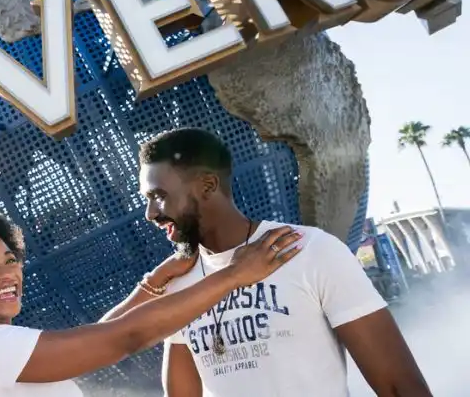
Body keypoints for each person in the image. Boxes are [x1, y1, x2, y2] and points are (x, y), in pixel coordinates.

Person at [137, 128, 431, 397]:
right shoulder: (176, 281)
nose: (150, 213)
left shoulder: (311, 250)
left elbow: (398, 385)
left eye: (159, 196)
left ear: (208, 185)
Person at [0, 211, 303, 396]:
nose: (8, 274)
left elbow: (98, 334)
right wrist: (234, 275)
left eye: (10, 260)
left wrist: (153, 283)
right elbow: (123, 338)